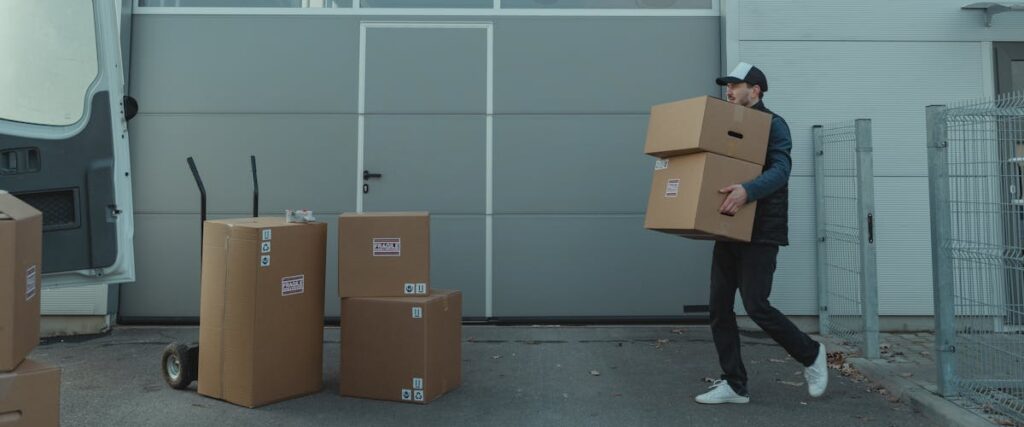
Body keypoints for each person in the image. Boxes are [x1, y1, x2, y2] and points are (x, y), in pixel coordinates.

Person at [695, 62, 828, 405]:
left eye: (735, 85)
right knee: (719, 307)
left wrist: (746, 191)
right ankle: (735, 385)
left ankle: (811, 354)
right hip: (729, 227)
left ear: (755, 90)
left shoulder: (774, 125)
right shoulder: (729, 126)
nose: (729, 91)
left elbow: (781, 170)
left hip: (761, 229)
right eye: (727, 85)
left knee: (756, 305)